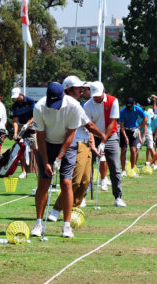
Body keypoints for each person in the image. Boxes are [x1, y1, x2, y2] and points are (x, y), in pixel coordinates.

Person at [47, 77, 106, 222]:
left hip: (85, 143)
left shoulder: (78, 104)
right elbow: (89, 125)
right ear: (69, 89)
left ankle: (73, 208)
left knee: (85, 181)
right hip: (76, 143)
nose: (82, 91)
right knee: (74, 180)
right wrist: (103, 136)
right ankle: (56, 209)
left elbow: (88, 127)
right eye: (78, 88)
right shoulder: (69, 103)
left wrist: (92, 144)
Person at [31, 82, 83, 238]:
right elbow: (40, 136)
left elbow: (71, 134)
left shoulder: (74, 106)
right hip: (46, 144)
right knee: (43, 183)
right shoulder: (39, 107)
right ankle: (38, 223)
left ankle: (66, 226)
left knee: (66, 182)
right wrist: (46, 161)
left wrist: (60, 157)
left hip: (67, 144)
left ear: (63, 96)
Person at [83, 81, 127, 207]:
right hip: (93, 136)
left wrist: (103, 141)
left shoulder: (113, 101)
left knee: (114, 167)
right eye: (94, 95)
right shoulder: (87, 105)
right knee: (86, 167)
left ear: (103, 91)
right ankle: (82, 197)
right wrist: (93, 143)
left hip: (111, 136)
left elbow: (112, 123)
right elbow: (88, 126)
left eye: (98, 95)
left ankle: (118, 197)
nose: (96, 97)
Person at [11, 87, 36, 178]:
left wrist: (28, 124)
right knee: (21, 148)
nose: (15, 99)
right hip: (21, 126)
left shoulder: (30, 101)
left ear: (21, 94)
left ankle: (40, 170)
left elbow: (35, 116)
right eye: (14, 98)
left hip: (32, 125)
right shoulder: (14, 105)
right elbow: (15, 121)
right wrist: (15, 133)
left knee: (35, 147)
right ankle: (24, 171)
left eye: (16, 97)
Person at [118, 97, 147, 176]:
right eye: (128, 107)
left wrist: (139, 127)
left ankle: (132, 169)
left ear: (134, 105)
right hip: (124, 130)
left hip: (134, 131)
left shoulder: (138, 109)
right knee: (123, 150)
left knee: (133, 150)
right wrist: (125, 136)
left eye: (130, 107)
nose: (129, 108)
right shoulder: (122, 111)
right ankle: (123, 170)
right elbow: (121, 126)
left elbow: (145, 119)